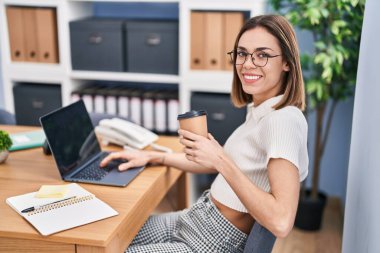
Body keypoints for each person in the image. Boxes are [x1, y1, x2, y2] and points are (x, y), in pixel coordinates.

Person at [100, 14, 308, 253]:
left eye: (262, 55)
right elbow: (227, 166)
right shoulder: (261, 110)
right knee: (109, 236)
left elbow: (281, 222)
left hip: (212, 241)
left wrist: (220, 159)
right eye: (242, 53)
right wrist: (155, 157)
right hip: (196, 218)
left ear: (287, 63)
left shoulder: (283, 120)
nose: (248, 63)